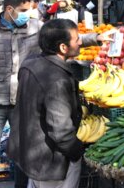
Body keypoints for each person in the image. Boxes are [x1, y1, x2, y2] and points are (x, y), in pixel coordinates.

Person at [0, 0, 109, 188]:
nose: (27, 14)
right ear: (9, 9)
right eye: (23, 10)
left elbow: (63, 38)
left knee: (22, 147)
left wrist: (95, 38)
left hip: (23, 99)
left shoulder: (36, 26)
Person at [8, 19, 85, 188]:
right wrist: (78, 151)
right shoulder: (56, 80)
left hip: (31, 153)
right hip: (51, 161)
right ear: (63, 48)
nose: (81, 42)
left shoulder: (30, 62)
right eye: (77, 39)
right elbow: (61, 130)